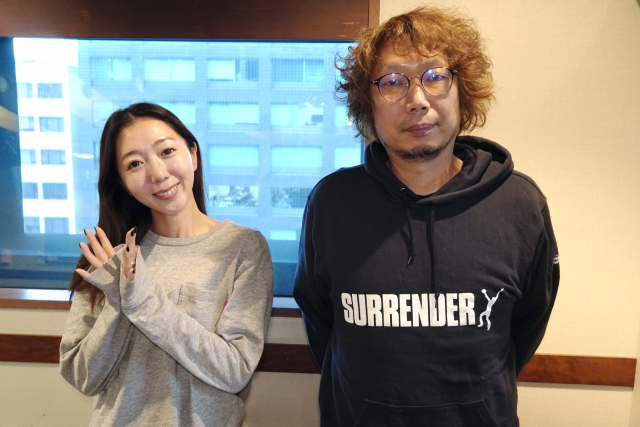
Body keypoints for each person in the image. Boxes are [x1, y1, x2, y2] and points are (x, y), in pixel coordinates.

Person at [293, 6, 559, 427]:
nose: (417, 101)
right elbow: (320, 322)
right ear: (368, 103)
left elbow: (525, 327)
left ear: (462, 90)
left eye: (435, 77)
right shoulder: (331, 203)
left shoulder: (519, 204)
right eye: (392, 82)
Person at [60, 103, 274, 427]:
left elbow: (234, 371)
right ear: (122, 182)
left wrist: (141, 300)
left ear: (193, 154)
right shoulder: (110, 258)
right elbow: (84, 377)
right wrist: (117, 301)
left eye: (167, 151)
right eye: (135, 163)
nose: (158, 174)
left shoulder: (242, 248)